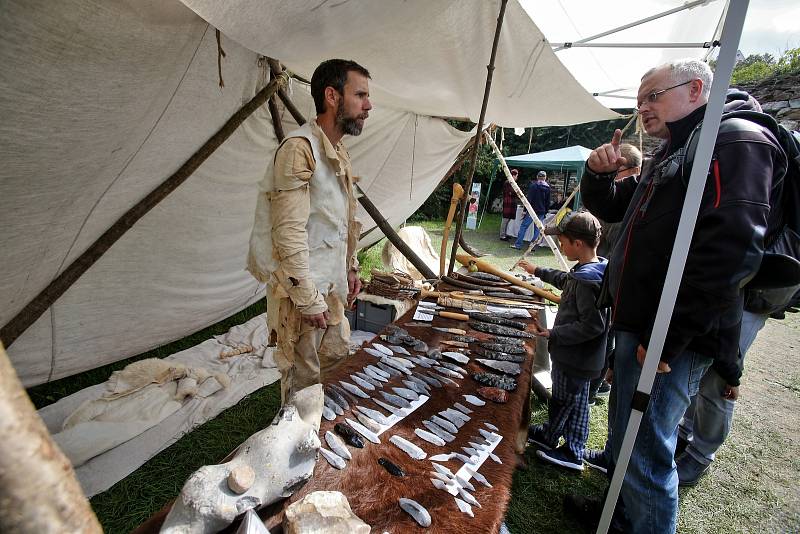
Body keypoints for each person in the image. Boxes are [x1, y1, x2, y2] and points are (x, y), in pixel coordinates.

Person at [579, 59, 786, 533]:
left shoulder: (732, 139)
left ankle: (638, 520)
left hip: (671, 334)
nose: (643, 107)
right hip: (644, 324)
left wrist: (666, 335)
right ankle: (621, 516)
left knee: (648, 452)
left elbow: (731, 251)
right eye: (639, 100)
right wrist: (597, 174)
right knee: (629, 437)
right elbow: (615, 206)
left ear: (696, 89)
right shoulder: (680, 145)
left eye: (653, 95)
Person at [247, 59, 372, 403]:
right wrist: (305, 298)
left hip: (329, 286)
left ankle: (323, 440)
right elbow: (287, 233)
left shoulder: (337, 150)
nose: (368, 105)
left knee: (332, 367)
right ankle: (296, 445)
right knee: (302, 384)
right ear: (332, 96)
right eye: (360, 95)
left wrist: (351, 267)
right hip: (302, 294)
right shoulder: (299, 149)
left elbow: (341, 220)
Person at [520, 211, 609, 472]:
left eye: (563, 242)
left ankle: (573, 450)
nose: (561, 246)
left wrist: (554, 334)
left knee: (574, 403)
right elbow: (565, 281)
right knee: (563, 399)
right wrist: (538, 271)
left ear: (578, 244)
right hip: (576, 358)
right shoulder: (592, 269)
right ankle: (550, 434)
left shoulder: (587, 280)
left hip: (576, 359)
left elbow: (592, 325)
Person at [512, 170, 550, 250]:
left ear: (537, 177)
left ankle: (518, 245)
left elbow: (529, 199)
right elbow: (547, 201)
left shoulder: (533, 186)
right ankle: (532, 246)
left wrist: (525, 210)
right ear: (545, 178)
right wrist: (545, 212)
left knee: (523, 227)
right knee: (537, 229)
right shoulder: (547, 187)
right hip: (541, 211)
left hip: (532, 210)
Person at [499, 168, 519, 240]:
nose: (517, 177)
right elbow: (511, 192)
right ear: (514, 175)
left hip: (511, 203)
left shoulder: (512, 183)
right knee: (505, 219)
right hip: (508, 203)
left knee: (508, 219)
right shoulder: (508, 182)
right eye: (516, 175)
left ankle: (505, 233)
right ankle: (502, 235)